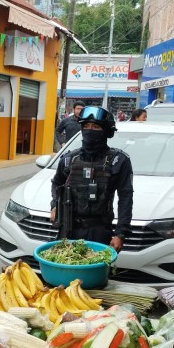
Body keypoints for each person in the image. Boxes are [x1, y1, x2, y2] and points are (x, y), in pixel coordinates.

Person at [50, 106, 133, 252]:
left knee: (95, 274)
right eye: (86, 126)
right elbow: (57, 183)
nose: (90, 130)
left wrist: (120, 233)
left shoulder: (119, 161)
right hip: (69, 230)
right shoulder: (69, 159)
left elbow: (125, 197)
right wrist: (54, 205)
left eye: (96, 126)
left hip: (100, 231)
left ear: (106, 131)